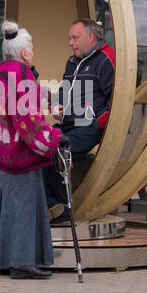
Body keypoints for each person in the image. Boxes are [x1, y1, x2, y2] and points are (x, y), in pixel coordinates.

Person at [0, 20, 63, 279]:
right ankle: (22, 263)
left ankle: (6, 261)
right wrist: (53, 138)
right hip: (21, 155)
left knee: (7, 207)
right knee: (24, 207)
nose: (33, 51)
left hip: (1, 154)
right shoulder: (21, 74)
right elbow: (27, 120)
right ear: (24, 52)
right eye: (32, 47)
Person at [45, 19, 115, 222]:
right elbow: (62, 90)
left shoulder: (106, 59)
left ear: (90, 37)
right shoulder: (72, 61)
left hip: (89, 127)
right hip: (68, 125)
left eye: (74, 37)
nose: (70, 42)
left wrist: (97, 124)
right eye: (70, 38)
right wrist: (55, 106)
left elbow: (115, 100)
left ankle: (62, 209)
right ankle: (49, 205)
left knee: (57, 147)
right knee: (39, 143)